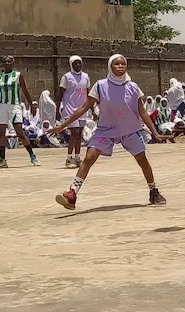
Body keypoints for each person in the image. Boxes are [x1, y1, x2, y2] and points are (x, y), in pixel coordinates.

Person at [49, 54, 167, 209]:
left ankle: (153, 191)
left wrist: (155, 132)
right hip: (106, 130)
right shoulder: (100, 86)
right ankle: (72, 194)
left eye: (123, 64)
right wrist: (63, 125)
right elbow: (84, 107)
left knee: (142, 160)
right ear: (110, 67)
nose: (120, 67)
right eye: (116, 64)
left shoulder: (133, 87)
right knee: (89, 158)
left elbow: (143, 112)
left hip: (128, 130)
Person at [0, 55, 39, 168]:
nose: (7, 64)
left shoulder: (18, 76)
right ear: (2, 64)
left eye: (9, 62)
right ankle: (2, 160)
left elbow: (25, 91)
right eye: (5, 62)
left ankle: (33, 156)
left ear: (13, 63)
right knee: (1, 133)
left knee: (19, 132)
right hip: (2, 106)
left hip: (14, 106)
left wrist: (31, 105)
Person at [57, 55, 90, 168]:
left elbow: (88, 92)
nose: (77, 65)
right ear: (71, 64)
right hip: (70, 108)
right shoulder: (66, 77)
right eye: (75, 63)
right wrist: (58, 108)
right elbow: (60, 94)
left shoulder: (85, 77)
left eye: (79, 63)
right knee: (74, 132)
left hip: (82, 108)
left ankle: (77, 157)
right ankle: (69, 158)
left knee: (79, 133)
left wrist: (91, 107)